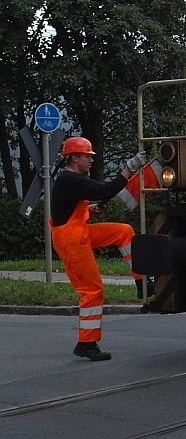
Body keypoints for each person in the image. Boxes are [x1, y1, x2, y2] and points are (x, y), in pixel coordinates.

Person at [50, 137, 147, 361]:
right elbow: (107, 189)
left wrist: (92, 211)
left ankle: (141, 279)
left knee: (122, 231)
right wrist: (130, 168)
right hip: (72, 241)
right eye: (87, 156)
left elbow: (68, 210)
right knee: (92, 291)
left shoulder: (71, 180)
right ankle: (87, 343)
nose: (91, 160)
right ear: (75, 158)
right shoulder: (71, 180)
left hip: (77, 233)